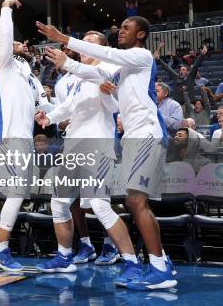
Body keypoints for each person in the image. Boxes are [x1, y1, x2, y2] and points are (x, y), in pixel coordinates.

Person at [37, 16, 177, 290]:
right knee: (133, 202)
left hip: (141, 133)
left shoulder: (139, 55)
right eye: (120, 27)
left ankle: (154, 266)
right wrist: (66, 65)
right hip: (129, 136)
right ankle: (159, 263)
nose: (120, 31)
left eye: (126, 28)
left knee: (130, 202)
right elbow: (94, 76)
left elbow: (105, 61)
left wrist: (65, 39)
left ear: (141, 34)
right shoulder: (118, 68)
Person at [35, 31, 137, 274]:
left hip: (97, 146)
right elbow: (71, 105)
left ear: (102, 48)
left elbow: (116, 105)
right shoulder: (78, 78)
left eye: (91, 42)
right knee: (59, 203)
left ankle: (131, 262)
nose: (84, 46)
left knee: (100, 206)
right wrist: (49, 117)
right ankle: (64, 256)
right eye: (83, 42)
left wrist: (105, 91)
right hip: (73, 147)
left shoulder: (110, 66)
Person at [0, 0, 52, 272]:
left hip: (24, 140)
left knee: (18, 193)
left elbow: (46, 109)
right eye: (17, 43)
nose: (22, 44)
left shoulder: (30, 76)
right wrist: (6, 9)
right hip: (9, 138)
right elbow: (5, 37)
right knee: (16, 192)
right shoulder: (5, 65)